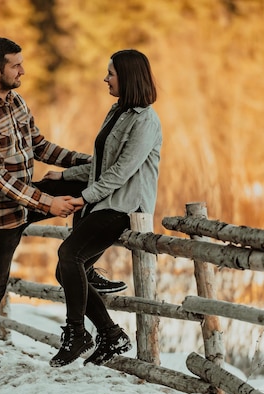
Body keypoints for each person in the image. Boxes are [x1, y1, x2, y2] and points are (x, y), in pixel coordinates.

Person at [0, 37, 123, 372]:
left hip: (25, 200)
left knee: (79, 181)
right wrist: (48, 203)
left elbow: (41, 147)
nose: (23, 70)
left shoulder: (16, 102)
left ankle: (85, 263)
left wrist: (91, 162)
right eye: (15, 65)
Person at [46, 49, 162, 367]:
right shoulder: (116, 113)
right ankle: (111, 335)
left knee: (70, 257)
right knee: (66, 269)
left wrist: (83, 197)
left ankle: (76, 333)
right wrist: (64, 176)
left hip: (125, 207)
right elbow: (100, 166)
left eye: (110, 73)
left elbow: (121, 172)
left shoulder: (146, 121)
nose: (105, 78)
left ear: (128, 77)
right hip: (102, 203)